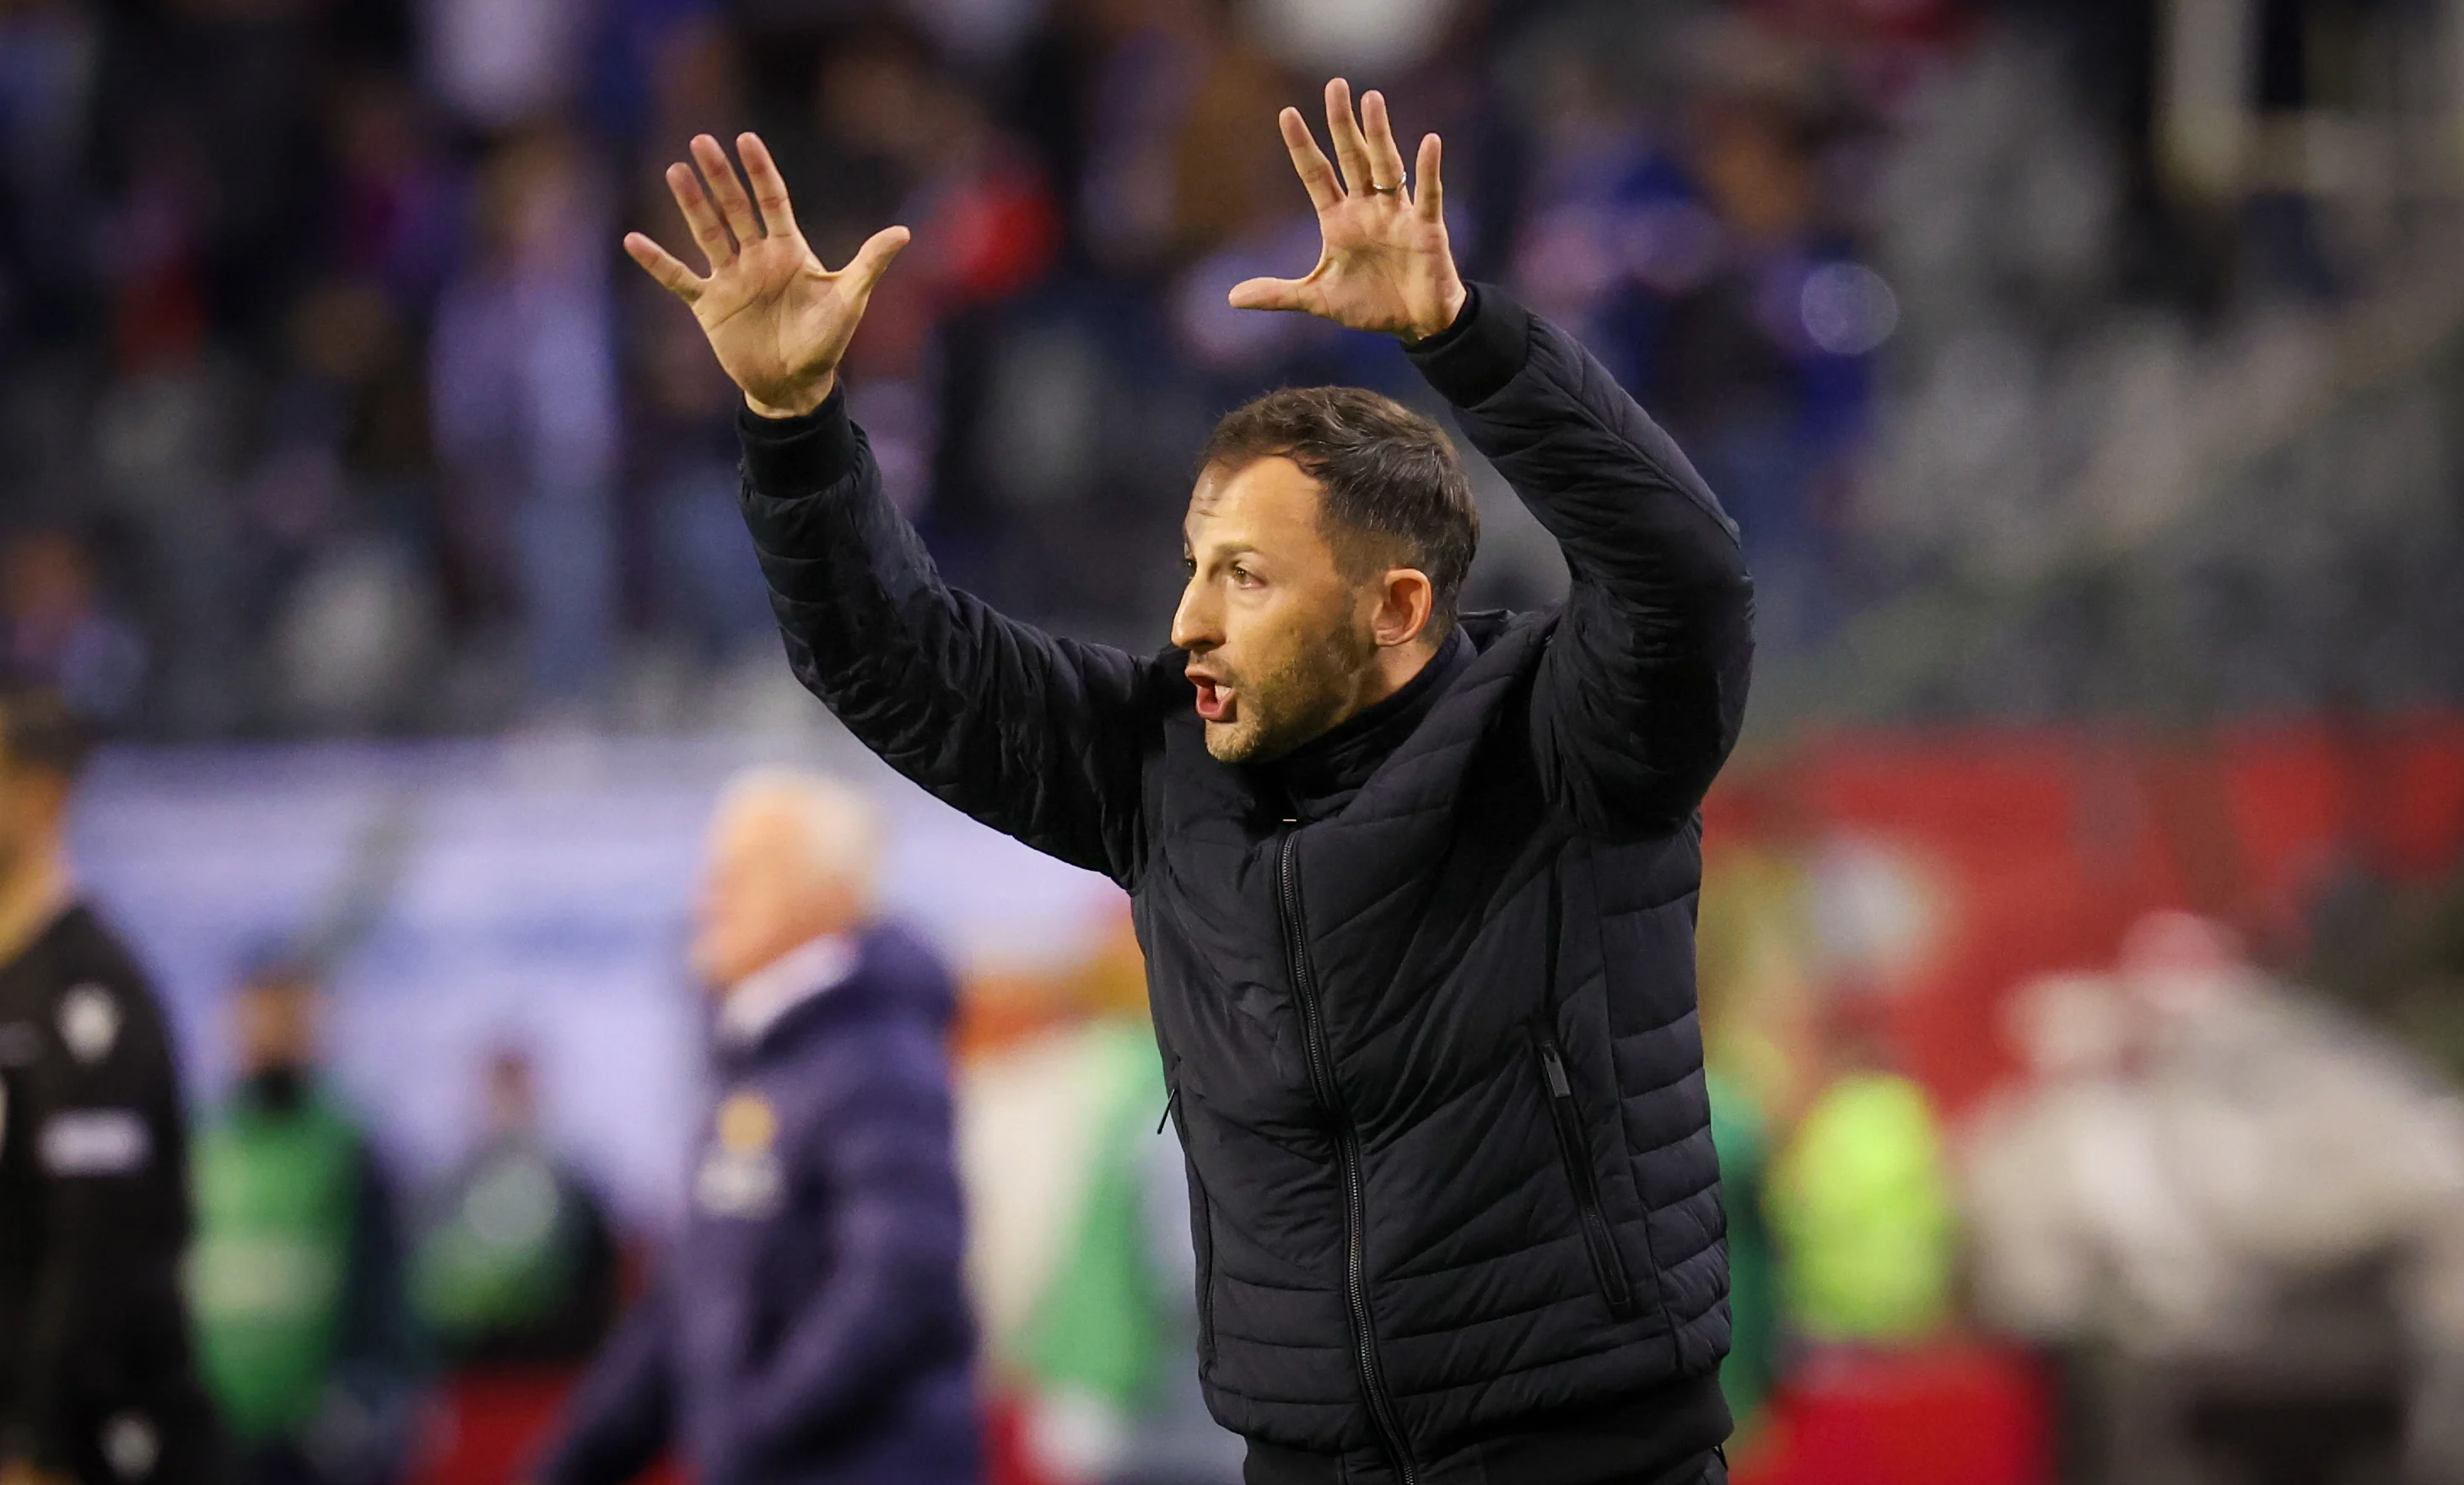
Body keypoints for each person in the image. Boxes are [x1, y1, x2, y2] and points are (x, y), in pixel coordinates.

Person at [625, 76, 1755, 1485]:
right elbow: (890, 659)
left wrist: (1467, 342)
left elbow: (1687, 578)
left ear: (1398, 607)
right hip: (1301, 1461)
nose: (1186, 623)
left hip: (1589, 1462)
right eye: (1190, 566)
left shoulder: (1569, 738)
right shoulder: (1159, 761)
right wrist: (792, 427)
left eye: (1246, 576)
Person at [533, 770, 977, 1485]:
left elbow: (901, 1279)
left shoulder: (876, 1057)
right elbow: (688, 1300)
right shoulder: (756, 1061)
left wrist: (753, 1429)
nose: (710, 896)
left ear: (830, 895)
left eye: (745, 873)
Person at [0, 683, 222, 1485]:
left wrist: (38, 1441)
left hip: (92, 1447)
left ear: (41, 795)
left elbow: (98, 1248)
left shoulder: (90, 998)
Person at [190, 960, 422, 1485]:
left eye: (291, 1022)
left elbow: (390, 1302)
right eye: (262, 1020)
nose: (274, 1038)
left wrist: (369, 1402)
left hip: (323, 1444)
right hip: (216, 1437)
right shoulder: (202, 1146)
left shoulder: (351, 1148)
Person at [408, 1046, 618, 1370]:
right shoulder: (447, 1186)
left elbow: (598, 1279)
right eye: (501, 1092)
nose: (508, 1106)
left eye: (517, 1091)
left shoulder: (571, 1186)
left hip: (550, 1368)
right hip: (464, 1371)